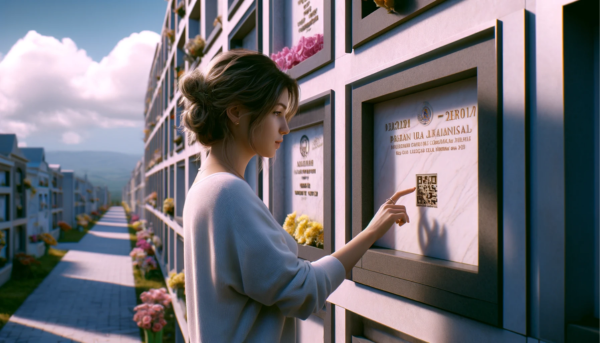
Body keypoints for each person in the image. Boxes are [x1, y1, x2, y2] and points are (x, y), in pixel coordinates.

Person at [181, 49, 415, 342]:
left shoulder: (205, 185)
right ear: (237, 112)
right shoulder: (227, 193)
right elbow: (302, 291)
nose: (286, 128)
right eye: (276, 113)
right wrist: (371, 232)